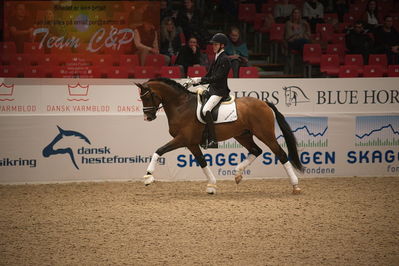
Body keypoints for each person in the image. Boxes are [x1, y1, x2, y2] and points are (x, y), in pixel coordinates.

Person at [188, 33, 231, 149]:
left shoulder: (225, 59)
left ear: (222, 45)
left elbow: (217, 78)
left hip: (220, 91)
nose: (213, 46)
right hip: (212, 90)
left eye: (216, 44)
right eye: (213, 44)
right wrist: (195, 82)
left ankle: (213, 139)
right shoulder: (216, 58)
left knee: (206, 109)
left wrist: (200, 79)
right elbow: (209, 75)